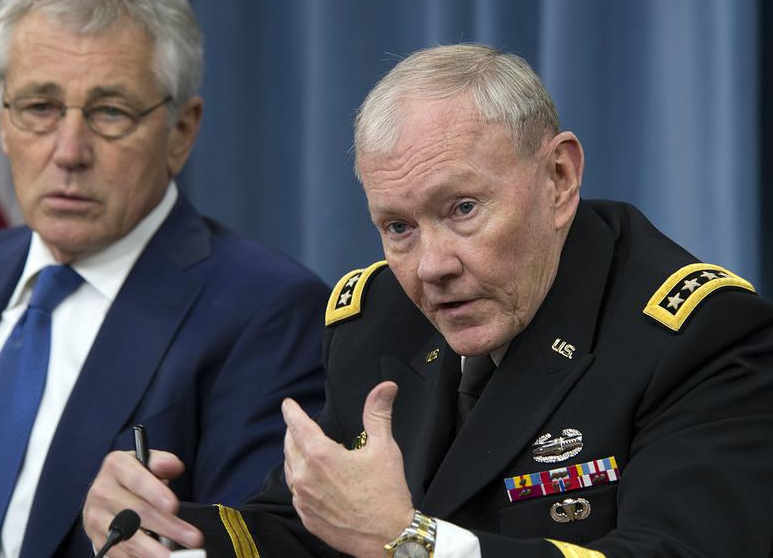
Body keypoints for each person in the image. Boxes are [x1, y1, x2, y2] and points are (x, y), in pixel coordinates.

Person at [82, 43, 773, 558]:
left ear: (559, 178)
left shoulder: (698, 335)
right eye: (398, 227)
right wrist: (165, 529)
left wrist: (408, 542)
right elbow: (315, 531)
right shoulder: (376, 316)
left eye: (464, 208)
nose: (432, 267)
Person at [0, 0, 329, 557]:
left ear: (181, 131)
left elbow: (267, 538)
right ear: (3, 118)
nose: (69, 151)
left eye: (110, 112)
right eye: (39, 107)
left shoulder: (267, 311)